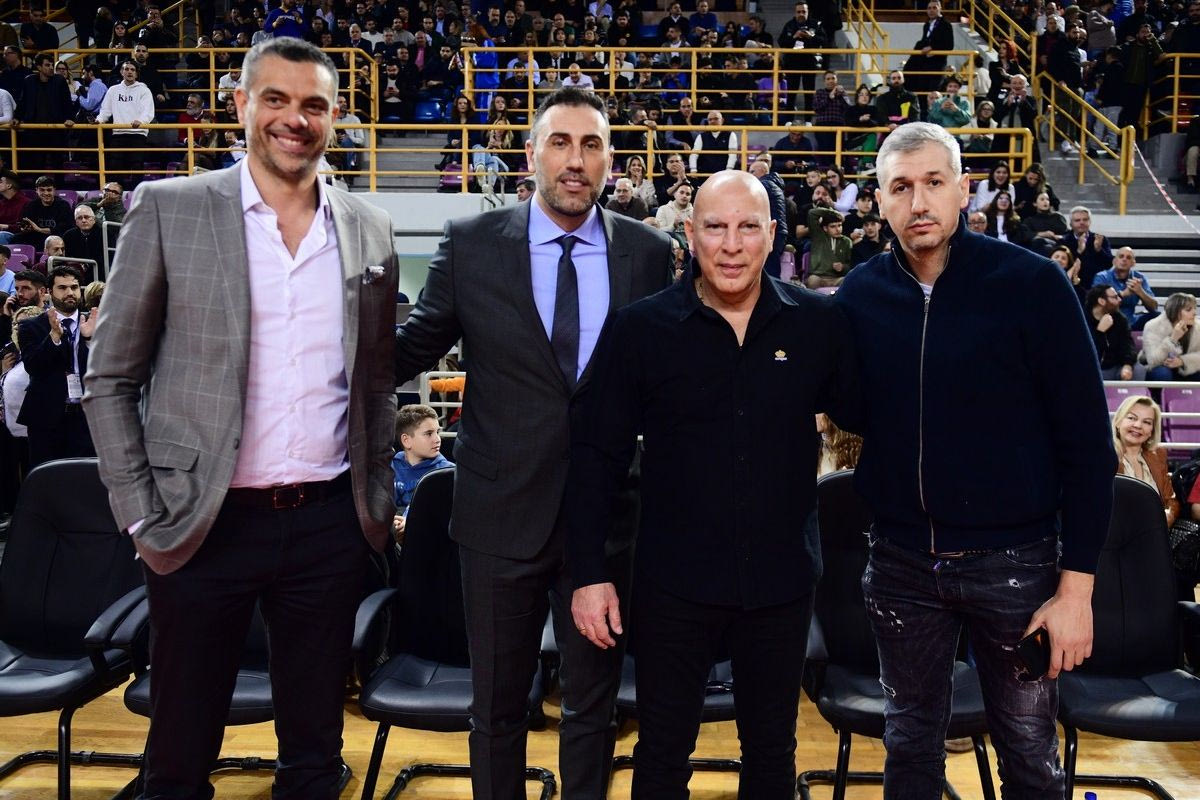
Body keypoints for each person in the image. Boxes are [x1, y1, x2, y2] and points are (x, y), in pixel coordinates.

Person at [82, 38, 399, 798]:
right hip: (200, 522)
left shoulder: (369, 227)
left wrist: (374, 499)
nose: (296, 119)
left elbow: (377, 379)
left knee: (316, 754)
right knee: (179, 755)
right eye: (276, 99)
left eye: (315, 105)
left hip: (328, 522)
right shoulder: (170, 208)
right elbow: (110, 378)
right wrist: (140, 515)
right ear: (241, 105)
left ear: (335, 118)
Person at [392, 87, 673, 800]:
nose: (575, 160)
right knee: (496, 711)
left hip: (606, 526)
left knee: (593, 710)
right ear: (530, 154)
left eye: (591, 145)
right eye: (560, 142)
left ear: (610, 160)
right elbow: (411, 347)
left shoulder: (647, 253)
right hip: (498, 518)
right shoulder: (471, 243)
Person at [834, 122, 1114, 800]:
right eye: (901, 187)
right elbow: (849, 408)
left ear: (964, 190)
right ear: (879, 199)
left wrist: (1076, 592)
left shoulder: (1033, 284)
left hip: (1016, 563)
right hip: (901, 561)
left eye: (934, 182)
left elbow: (1088, 447)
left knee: (1029, 757)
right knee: (908, 749)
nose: (919, 202)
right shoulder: (859, 295)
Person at [567, 169, 858, 799]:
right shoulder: (641, 330)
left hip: (781, 583)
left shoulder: (817, 324)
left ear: (772, 235)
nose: (731, 245)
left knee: (772, 755)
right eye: (715, 227)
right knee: (661, 753)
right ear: (690, 235)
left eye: (747, 227)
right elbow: (595, 457)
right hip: (674, 585)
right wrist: (588, 574)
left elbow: (868, 412)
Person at [17, 265, 95, 465]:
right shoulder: (31, 326)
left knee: (85, 478)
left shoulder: (95, 323)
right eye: (62, 288)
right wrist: (54, 337)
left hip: (87, 417)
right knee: (47, 478)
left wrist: (89, 340)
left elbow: (108, 367)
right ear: (49, 292)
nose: (70, 292)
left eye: (74, 287)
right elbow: (33, 367)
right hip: (47, 417)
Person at [1111, 395, 1179, 527]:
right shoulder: (1106, 456)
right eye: (1131, 418)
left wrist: (1168, 516)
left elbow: (1170, 499)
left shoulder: (1158, 455)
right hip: (1117, 531)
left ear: (1152, 431)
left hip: (1155, 530)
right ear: (1118, 422)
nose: (1138, 425)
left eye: (1147, 422)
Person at [391, 403, 452, 542]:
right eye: (429, 434)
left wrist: (412, 523)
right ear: (406, 440)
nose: (437, 439)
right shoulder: (390, 466)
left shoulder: (448, 473)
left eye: (437, 432)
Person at [96, 60, 154, 188]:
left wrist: (141, 121)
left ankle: (135, 194)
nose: (129, 72)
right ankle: (115, 193)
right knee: (115, 166)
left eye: (132, 70)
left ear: (136, 74)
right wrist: (99, 120)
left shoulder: (144, 90)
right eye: (126, 69)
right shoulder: (113, 90)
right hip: (118, 133)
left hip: (138, 133)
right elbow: (105, 110)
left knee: (137, 165)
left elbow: (148, 111)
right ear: (122, 72)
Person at [1086, 283, 1145, 380]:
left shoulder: (1120, 319)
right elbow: (1086, 353)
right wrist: (1100, 332)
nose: (1120, 299)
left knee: (1139, 370)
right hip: (1092, 367)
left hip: (1115, 365)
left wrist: (1127, 365)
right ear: (1101, 301)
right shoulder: (1083, 319)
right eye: (1115, 297)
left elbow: (1128, 345)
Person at [1091, 246, 1159, 328]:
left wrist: (1140, 292)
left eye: (1128, 257)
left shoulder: (1139, 278)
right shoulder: (1102, 277)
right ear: (1114, 261)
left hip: (1131, 321)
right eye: (1121, 256)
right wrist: (1122, 294)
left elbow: (1154, 307)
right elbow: (1097, 304)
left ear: (1133, 263)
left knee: (1157, 316)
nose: (1124, 259)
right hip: (1109, 320)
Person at [1141, 292, 1199, 381]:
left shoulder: (1198, 326)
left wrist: (1182, 361)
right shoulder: (1153, 326)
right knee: (1162, 374)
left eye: (1195, 309)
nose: (1194, 313)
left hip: (1184, 368)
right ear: (1175, 311)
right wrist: (1173, 339)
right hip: (1160, 367)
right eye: (1188, 310)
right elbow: (1153, 361)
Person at [1058, 204, 1112, 287]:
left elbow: (1109, 265)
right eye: (1077, 220)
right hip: (1071, 283)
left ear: (1090, 222)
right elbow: (1063, 266)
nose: (1082, 222)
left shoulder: (1100, 239)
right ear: (1071, 224)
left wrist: (1098, 250)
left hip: (1096, 284)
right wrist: (1079, 252)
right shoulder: (1063, 241)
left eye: (1085, 219)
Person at [805, 206, 853, 288]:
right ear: (825, 228)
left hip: (836, 279)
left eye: (839, 225)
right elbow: (812, 213)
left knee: (847, 281)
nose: (838, 229)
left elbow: (850, 265)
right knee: (812, 280)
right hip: (818, 277)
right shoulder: (818, 236)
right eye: (833, 226)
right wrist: (835, 213)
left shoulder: (847, 241)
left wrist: (843, 267)